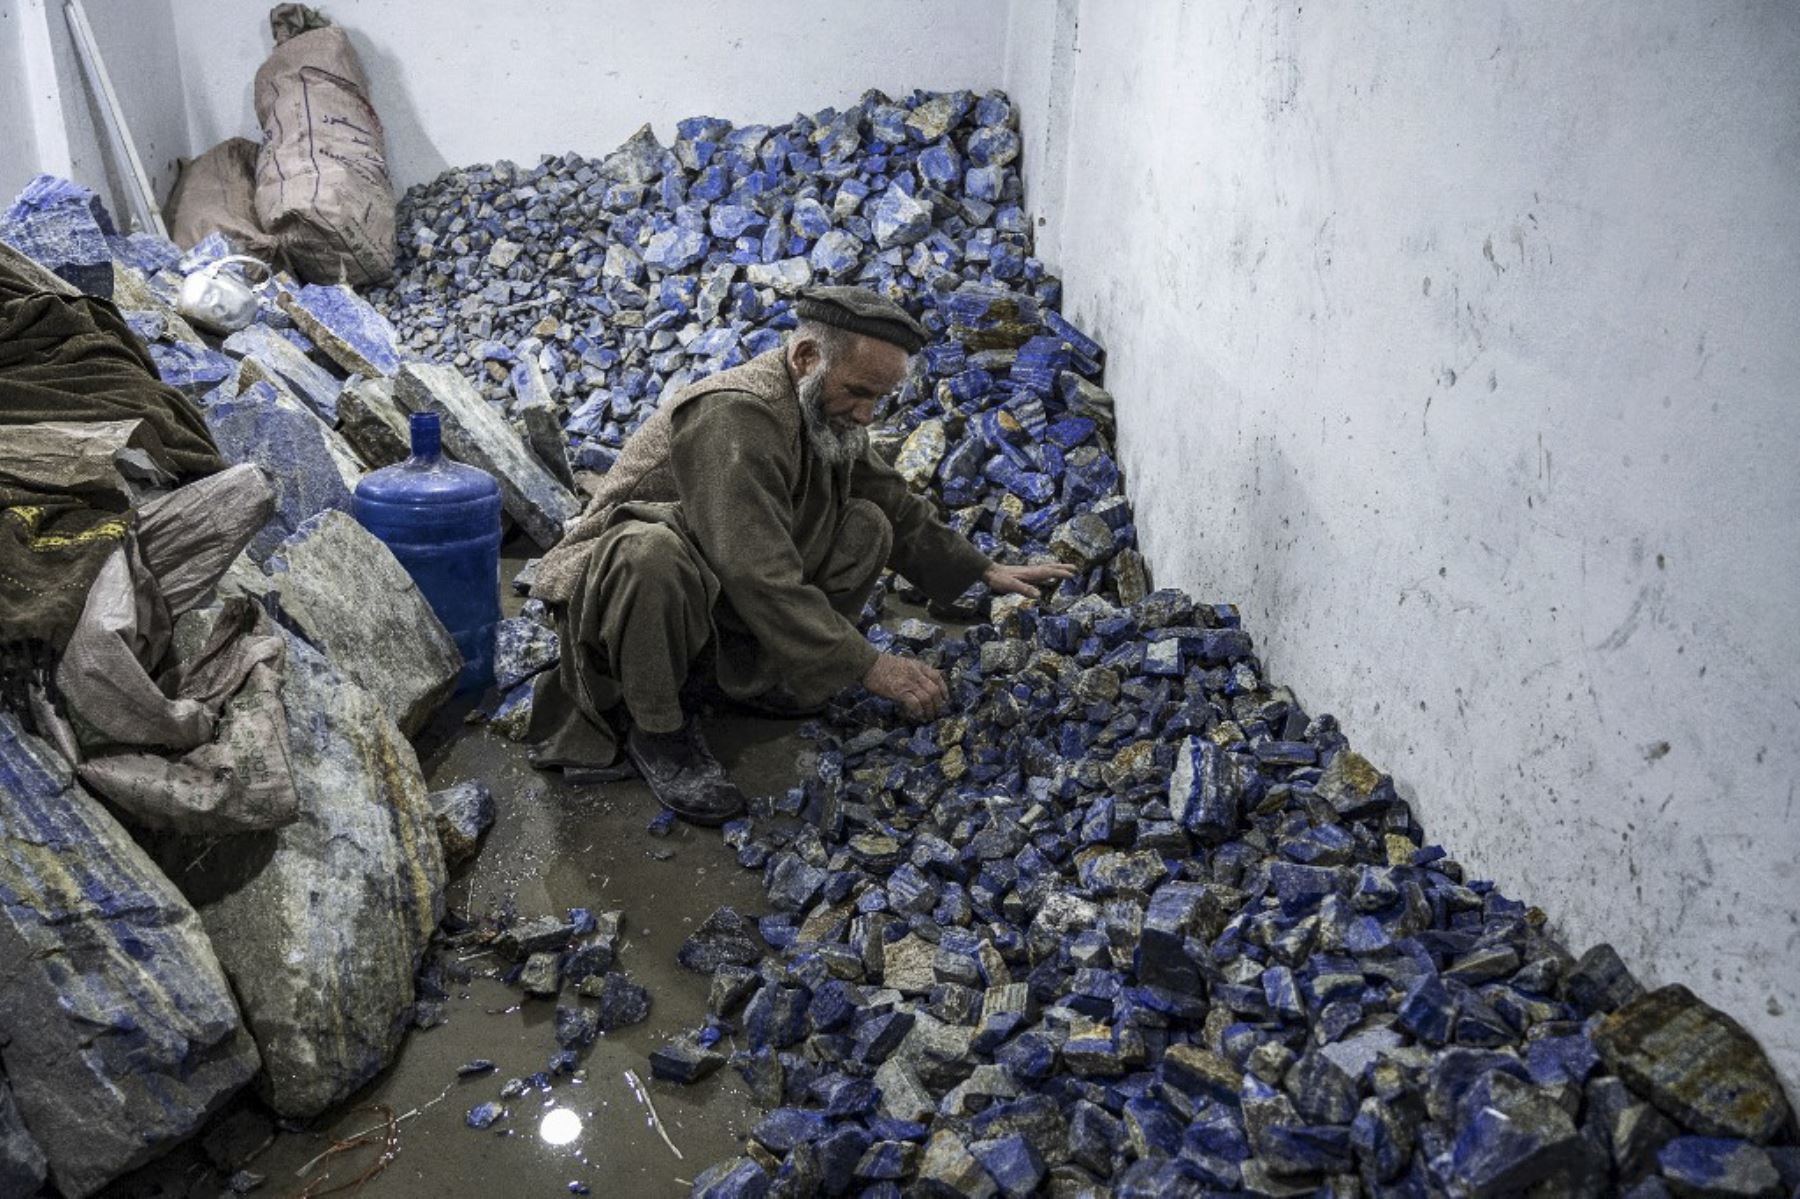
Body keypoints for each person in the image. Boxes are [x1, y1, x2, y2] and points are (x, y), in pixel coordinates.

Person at [528, 286, 1073, 825]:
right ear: (807, 357)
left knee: (867, 525)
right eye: (859, 393)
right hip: (624, 596)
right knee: (651, 553)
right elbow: (756, 571)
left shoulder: (822, 405)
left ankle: (755, 681)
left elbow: (891, 500)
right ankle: (656, 728)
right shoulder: (736, 415)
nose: (866, 415)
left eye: (878, 400)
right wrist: (867, 664)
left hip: (708, 577)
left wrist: (980, 569)